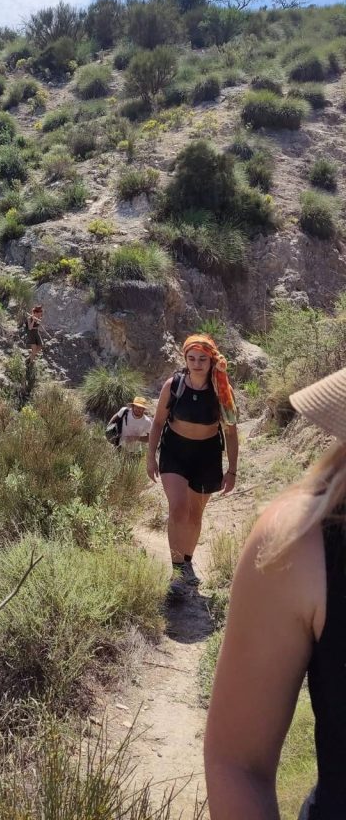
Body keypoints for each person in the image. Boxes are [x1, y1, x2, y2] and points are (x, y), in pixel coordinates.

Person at [205, 367, 346, 820]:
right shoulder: (305, 546)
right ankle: (181, 567)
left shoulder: (218, 386)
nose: (196, 367)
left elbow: (229, 423)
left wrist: (230, 465)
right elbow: (237, 762)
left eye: (200, 361)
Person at [147, 334, 238, 590]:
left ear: (211, 360)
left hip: (207, 455)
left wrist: (232, 470)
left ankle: (187, 562)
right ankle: (176, 571)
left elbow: (231, 431)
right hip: (175, 451)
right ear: (185, 359)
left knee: (195, 514)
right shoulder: (173, 385)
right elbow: (157, 423)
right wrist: (150, 456)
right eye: (191, 358)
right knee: (178, 508)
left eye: (202, 359)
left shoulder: (222, 390)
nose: (197, 363)